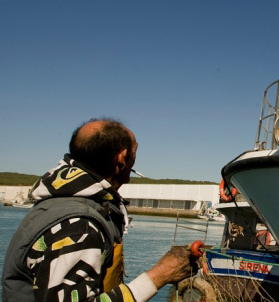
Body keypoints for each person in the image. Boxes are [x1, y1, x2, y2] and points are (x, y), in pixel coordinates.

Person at [2, 118, 196, 302]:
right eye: (135, 151)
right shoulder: (79, 226)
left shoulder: (59, 202)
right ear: (121, 158)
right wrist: (158, 276)